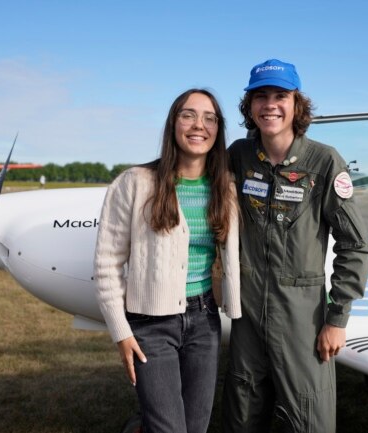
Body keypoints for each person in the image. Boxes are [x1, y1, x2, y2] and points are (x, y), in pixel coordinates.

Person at [222, 59, 368, 432]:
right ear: (249, 106)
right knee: (241, 411)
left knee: (310, 417)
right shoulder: (238, 156)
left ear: (296, 104)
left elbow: (355, 245)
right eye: (260, 96)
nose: (269, 104)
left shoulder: (323, 162)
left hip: (302, 317)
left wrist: (336, 320)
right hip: (247, 314)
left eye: (280, 95)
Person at [94, 88, 241, 433]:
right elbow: (106, 265)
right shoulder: (134, 183)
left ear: (217, 130)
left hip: (204, 322)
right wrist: (121, 332)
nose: (198, 125)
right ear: (173, 123)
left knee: (196, 427)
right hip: (151, 325)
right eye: (188, 115)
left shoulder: (226, 189)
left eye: (209, 118)